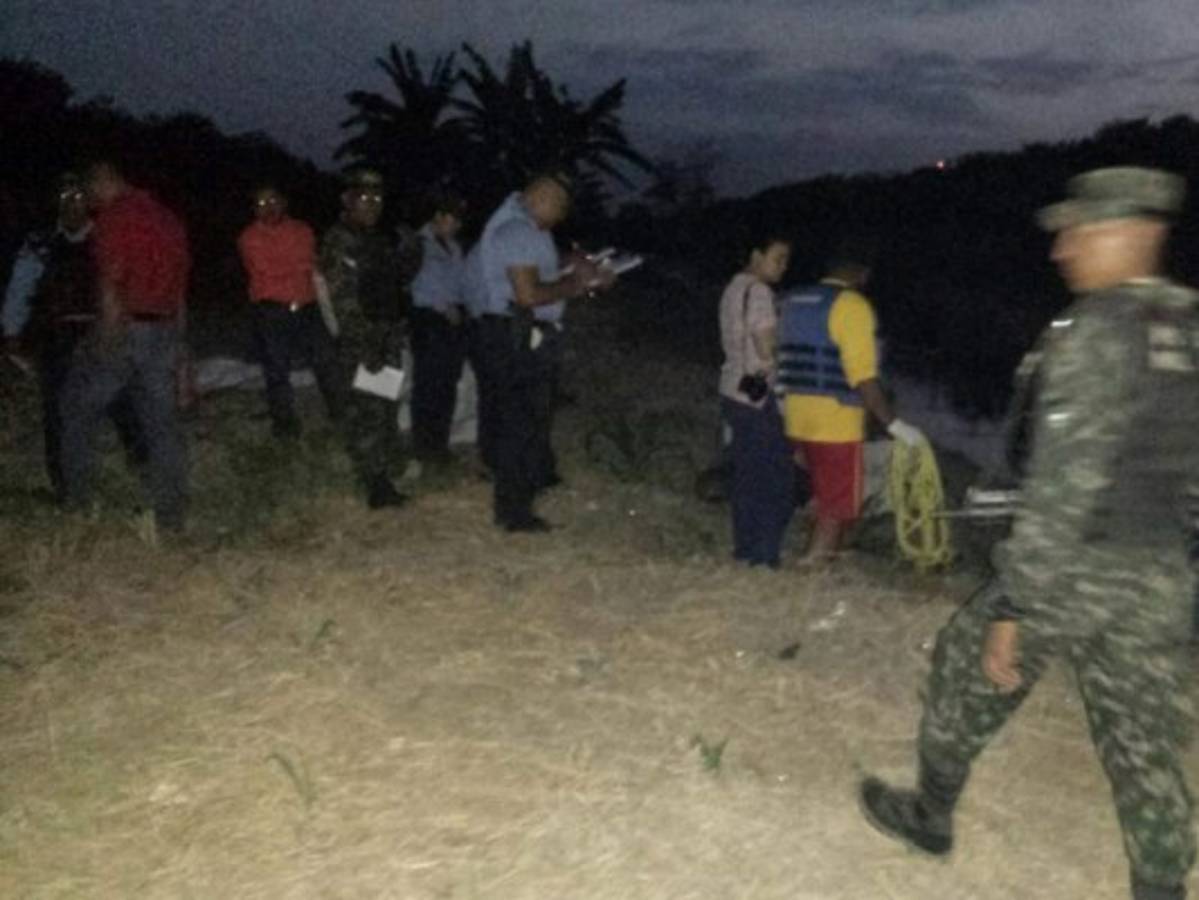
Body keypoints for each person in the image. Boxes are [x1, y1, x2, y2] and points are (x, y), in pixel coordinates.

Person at [858, 168, 1199, 900]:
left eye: (1079, 231)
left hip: (1072, 569)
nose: (1060, 249)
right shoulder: (1187, 325)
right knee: (1145, 739)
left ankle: (930, 814)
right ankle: (1162, 887)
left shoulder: (1095, 332)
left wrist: (1014, 606)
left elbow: (1062, 488)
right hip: (1160, 572)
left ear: (1130, 232)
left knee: (966, 664)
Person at [469, 172, 613, 532]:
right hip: (514, 334)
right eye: (561, 206)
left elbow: (538, 270)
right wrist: (576, 284)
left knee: (521, 417)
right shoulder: (519, 232)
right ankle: (514, 512)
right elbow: (528, 294)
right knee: (522, 421)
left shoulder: (524, 229)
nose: (562, 216)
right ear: (541, 197)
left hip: (509, 332)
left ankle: (521, 486)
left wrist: (571, 264)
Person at [58, 159, 190, 531]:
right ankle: (170, 515)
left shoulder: (114, 218)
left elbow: (111, 284)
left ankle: (78, 503)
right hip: (164, 329)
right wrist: (181, 348)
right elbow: (181, 292)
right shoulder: (168, 218)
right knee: (162, 425)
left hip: (128, 329)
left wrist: (103, 340)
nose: (88, 201)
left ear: (103, 181)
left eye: (89, 191)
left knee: (75, 410)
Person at [2, 173, 144, 498]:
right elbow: (20, 288)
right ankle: (65, 487)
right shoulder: (39, 244)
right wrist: (11, 331)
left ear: (89, 203)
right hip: (56, 337)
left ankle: (144, 471)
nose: (72, 205)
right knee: (57, 411)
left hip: (100, 332)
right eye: (65, 198)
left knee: (121, 401)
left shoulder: (107, 238)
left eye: (79, 198)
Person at [776, 247, 922, 562]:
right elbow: (863, 377)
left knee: (822, 490)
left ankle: (827, 551)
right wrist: (894, 424)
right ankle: (814, 565)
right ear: (863, 274)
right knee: (837, 500)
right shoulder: (853, 306)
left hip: (794, 414)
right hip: (835, 420)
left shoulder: (792, 300)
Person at [318, 168, 422, 510]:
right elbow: (343, 301)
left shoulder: (375, 238)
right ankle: (375, 484)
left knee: (385, 406)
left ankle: (385, 470)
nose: (372, 204)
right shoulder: (339, 241)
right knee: (367, 411)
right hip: (363, 340)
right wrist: (366, 345)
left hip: (386, 335)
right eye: (364, 197)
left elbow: (395, 283)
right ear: (347, 200)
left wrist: (412, 251)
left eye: (377, 198)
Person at [237, 183, 341, 440]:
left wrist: (296, 265)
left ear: (284, 202)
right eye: (261, 204)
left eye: (273, 201)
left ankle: (340, 414)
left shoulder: (302, 229)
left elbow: (309, 260)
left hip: (308, 307)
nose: (268, 208)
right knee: (277, 369)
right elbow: (266, 270)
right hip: (272, 310)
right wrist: (299, 265)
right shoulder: (249, 237)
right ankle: (285, 426)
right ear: (254, 209)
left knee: (327, 361)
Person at [717, 232, 795, 568]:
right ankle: (764, 553)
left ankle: (746, 548)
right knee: (775, 477)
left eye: (786, 260)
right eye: (778, 258)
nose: (783, 266)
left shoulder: (733, 288)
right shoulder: (761, 292)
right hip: (759, 397)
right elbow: (766, 347)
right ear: (756, 255)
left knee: (746, 473)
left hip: (733, 389)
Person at [409, 189, 468, 465]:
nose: (456, 225)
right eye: (452, 219)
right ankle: (423, 446)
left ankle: (440, 444)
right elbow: (416, 288)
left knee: (447, 384)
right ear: (438, 216)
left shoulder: (454, 247)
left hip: (452, 324)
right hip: (428, 320)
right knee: (427, 385)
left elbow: (461, 285)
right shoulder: (417, 244)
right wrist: (444, 307)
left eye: (459, 221)